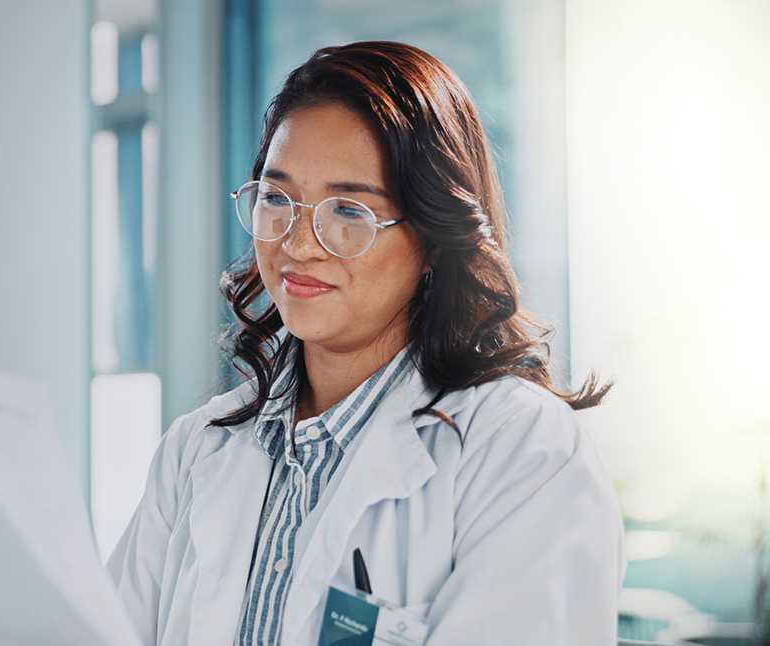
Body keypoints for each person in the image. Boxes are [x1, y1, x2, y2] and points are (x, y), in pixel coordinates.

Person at [107, 41, 625, 646]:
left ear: (434, 237)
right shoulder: (195, 452)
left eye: (349, 209)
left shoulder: (523, 452)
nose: (298, 244)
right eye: (277, 199)